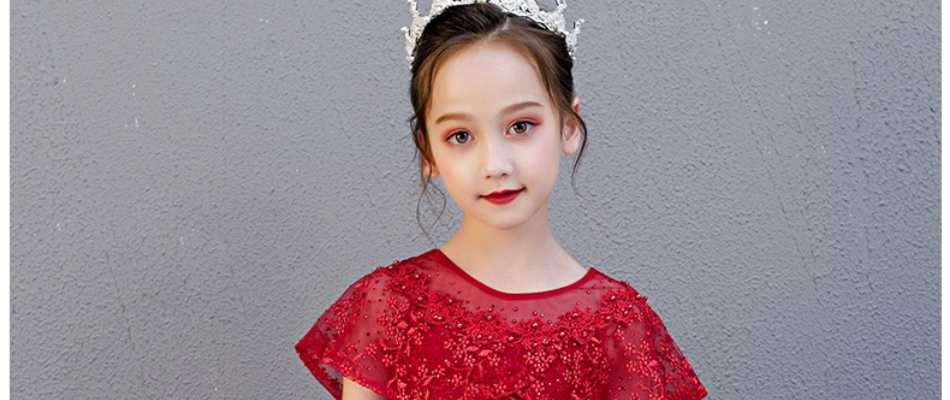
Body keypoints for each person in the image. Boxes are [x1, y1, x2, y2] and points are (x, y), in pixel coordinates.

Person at [296, 2, 707, 399]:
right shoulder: (389, 307)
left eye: (521, 126)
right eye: (460, 136)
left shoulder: (619, 326)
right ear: (427, 152)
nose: (494, 165)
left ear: (568, 127)